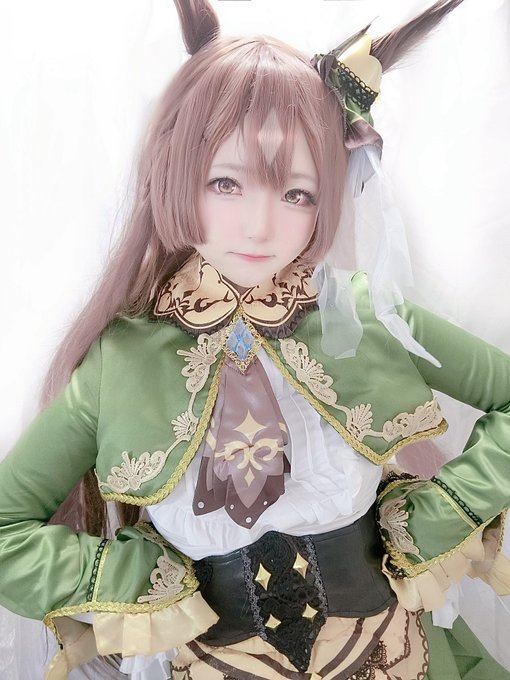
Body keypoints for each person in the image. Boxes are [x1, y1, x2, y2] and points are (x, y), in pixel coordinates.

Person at [1, 1, 510, 678]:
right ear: (176, 173)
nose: (258, 226)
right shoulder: (120, 357)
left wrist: (445, 511)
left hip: (391, 651)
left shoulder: (363, 314)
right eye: (226, 182)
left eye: (297, 193)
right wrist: (131, 577)